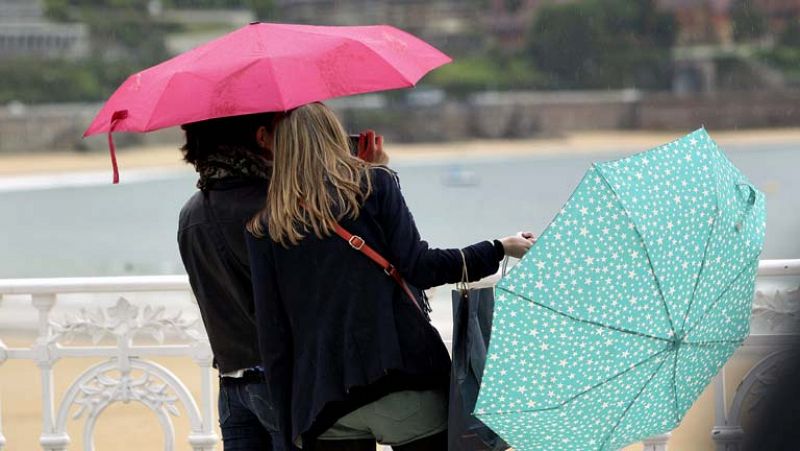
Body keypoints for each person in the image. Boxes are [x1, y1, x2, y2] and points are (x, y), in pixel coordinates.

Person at [245, 102, 535, 450]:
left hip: (323, 402)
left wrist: (292, 427)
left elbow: (274, 336)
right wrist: (500, 247)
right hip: (397, 377)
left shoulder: (264, 227)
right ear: (335, 137)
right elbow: (421, 266)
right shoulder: (375, 184)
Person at [177, 111, 387, 450]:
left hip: (233, 386)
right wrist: (365, 180)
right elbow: (336, 282)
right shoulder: (277, 208)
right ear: (262, 137)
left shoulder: (191, 214)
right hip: (290, 386)